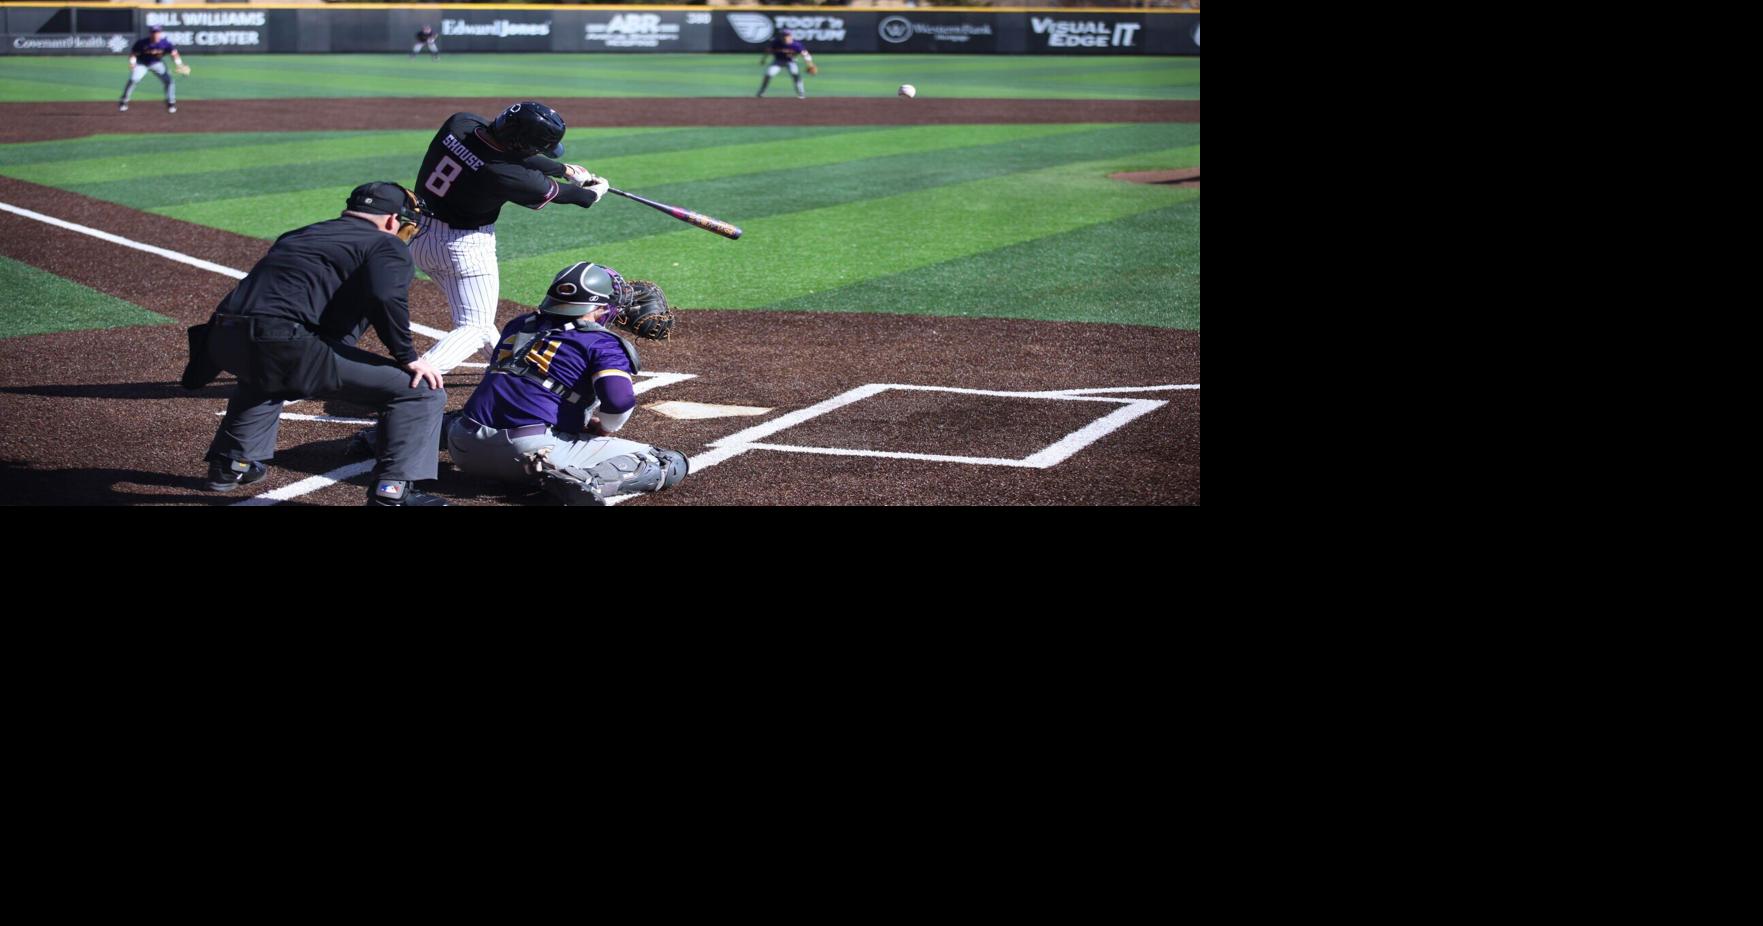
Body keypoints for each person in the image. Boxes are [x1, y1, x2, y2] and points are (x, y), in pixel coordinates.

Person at [343, 101, 609, 457]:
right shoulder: (507, 175)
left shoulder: (460, 123)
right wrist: (594, 191)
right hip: (462, 249)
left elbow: (508, 153)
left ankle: (509, 372)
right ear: (521, 144)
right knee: (475, 326)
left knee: (479, 321)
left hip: (418, 234)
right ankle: (411, 387)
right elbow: (569, 196)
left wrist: (563, 168)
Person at [193, 182, 451, 506]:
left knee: (267, 370)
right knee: (420, 391)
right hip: (280, 342)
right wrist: (407, 356)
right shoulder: (385, 244)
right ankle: (393, 491)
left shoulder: (301, 234)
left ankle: (231, 463)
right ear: (391, 220)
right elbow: (384, 297)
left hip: (222, 338)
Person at [445, 261, 688, 506]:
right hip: (528, 455)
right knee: (667, 462)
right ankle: (586, 479)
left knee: (472, 411)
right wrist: (605, 427)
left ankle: (429, 437)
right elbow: (619, 402)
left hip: (463, 446)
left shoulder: (519, 324)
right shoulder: (602, 342)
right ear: (597, 307)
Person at [119, 25, 187, 113]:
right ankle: (124, 100)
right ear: (150, 33)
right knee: (134, 79)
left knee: (169, 81)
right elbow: (133, 54)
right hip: (141, 63)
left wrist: (179, 64)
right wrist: (132, 63)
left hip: (157, 63)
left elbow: (174, 53)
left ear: (160, 33)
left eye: (157, 32)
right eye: (154, 32)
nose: (156, 34)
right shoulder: (142, 43)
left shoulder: (165, 43)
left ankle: (171, 103)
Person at [756, 28, 816, 99]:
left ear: (791, 36)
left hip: (791, 61)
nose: (785, 37)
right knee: (769, 74)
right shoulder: (776, 43)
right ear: (781, 36)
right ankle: (761, 92)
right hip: (778, 61)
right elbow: (768, 50)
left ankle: (801, 94)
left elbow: (805, 55)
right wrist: (763, 59)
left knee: (795, 74)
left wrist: (810, 64)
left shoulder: (796, 45)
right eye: (783, 35)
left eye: (787, 35)